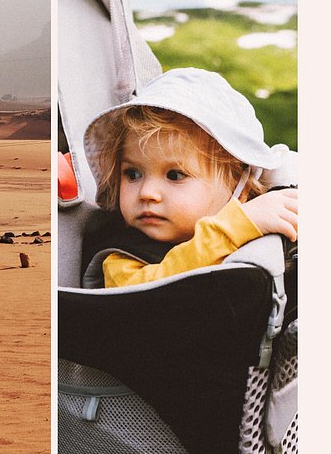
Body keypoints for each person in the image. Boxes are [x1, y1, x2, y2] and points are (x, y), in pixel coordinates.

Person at [82, 67, 298, 288]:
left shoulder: (261, 215)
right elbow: (140, 294)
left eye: (174, 175)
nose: (147, 193)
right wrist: (231, 228)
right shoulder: (121, 255)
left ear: (238, 187)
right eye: (133, 174)